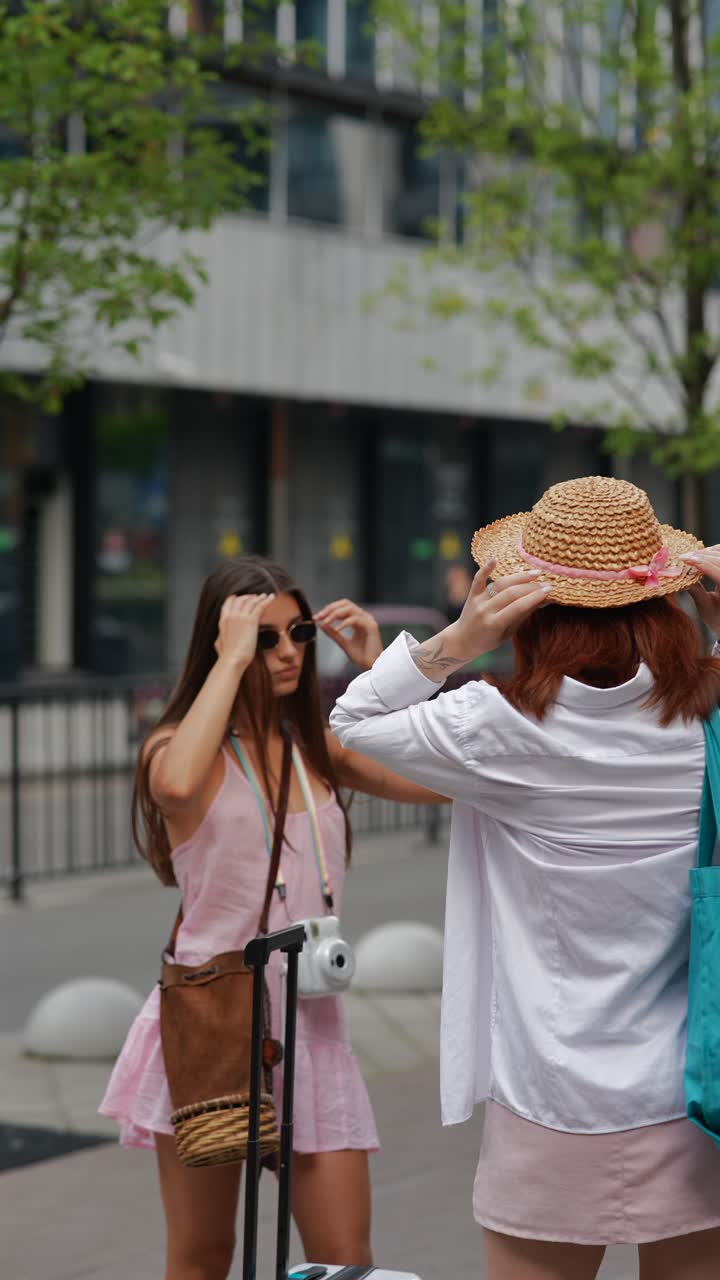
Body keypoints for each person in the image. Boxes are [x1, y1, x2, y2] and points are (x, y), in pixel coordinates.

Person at [330, 476, 720, 1280]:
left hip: (549, 1096)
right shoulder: (707, 719)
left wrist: (457, 641)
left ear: (528, 606)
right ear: (665, 598)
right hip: (693, 1094)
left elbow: (352, 723)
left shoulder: (495, 726)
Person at [99, 556, 446, 1280]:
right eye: (264, 638)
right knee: (203, 1258)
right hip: (214, 1024)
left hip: (312, 1025)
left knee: (347, 1261)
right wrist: (228, 661)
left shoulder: (316, 748)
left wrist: (381, 670)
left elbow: (441, 780)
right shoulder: (181, 749)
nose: (288, 651)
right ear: (222, 644)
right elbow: (174, 784)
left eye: (296, 632)